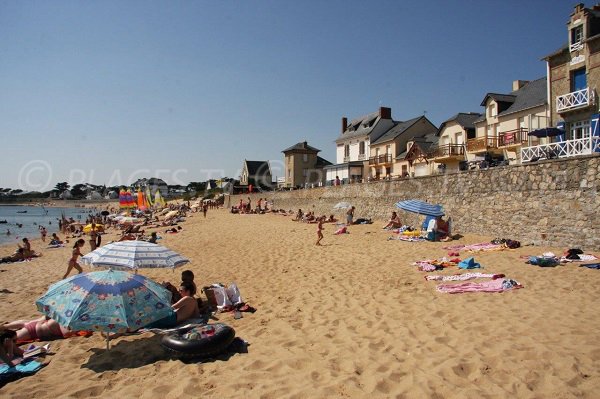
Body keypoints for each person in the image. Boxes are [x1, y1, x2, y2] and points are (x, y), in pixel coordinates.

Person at [2, 316, 78, 342]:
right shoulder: (62, 321)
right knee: (10, 338)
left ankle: (6, 326)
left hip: (36, 324)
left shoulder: (60, 317)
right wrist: (75, 330)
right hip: (33, 330)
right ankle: (4, 328)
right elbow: (66, 334)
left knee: (26, 323)